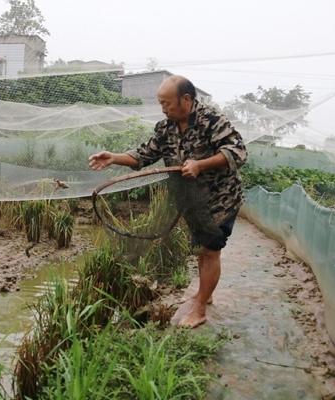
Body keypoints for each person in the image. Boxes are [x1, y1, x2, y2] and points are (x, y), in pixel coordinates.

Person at [88, 75, 247, 328]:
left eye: (167, 103)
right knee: (201, 247)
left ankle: (200, 309)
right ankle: (206, 294)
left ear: (186, 99)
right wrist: (114, 157)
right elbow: (144, 154)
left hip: (220, 198)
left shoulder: (212, 121)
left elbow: (237, 152)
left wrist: (200, 165)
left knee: (211, 249)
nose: (163, 108)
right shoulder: (165, 128)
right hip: (190, 199)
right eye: (160, 103)